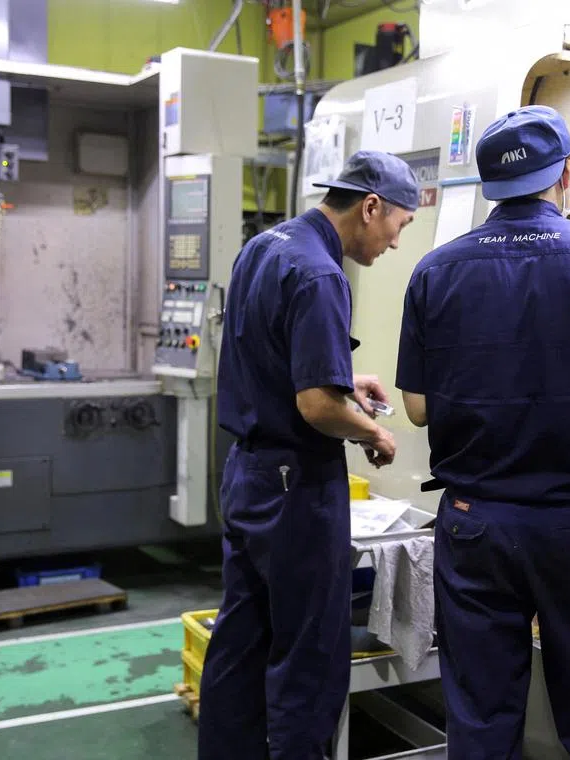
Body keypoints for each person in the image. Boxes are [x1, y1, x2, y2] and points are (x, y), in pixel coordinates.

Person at [395, 105, 570, 759]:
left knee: (481, 712)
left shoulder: (435, 272)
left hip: (473, 524)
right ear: (568, 173)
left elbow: (416, 407)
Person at [198, 150, 419, 760]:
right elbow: (318, 408)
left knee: (241, 643)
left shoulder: (266, 246)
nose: (395, 244)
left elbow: (276, 354)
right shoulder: (322, 274)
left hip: (248, 474)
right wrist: (373, 433)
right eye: (399, 226)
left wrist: (348, 377)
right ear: (371, 207)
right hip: (297, 487)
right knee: (308, 659)